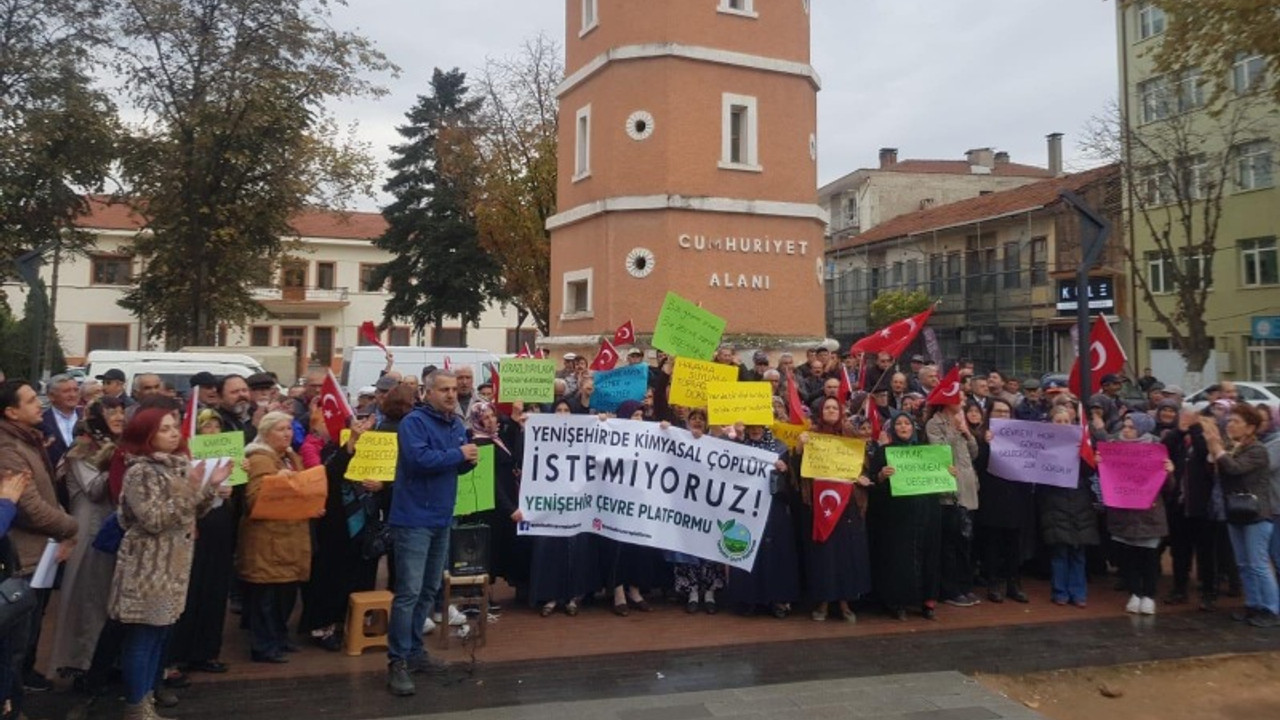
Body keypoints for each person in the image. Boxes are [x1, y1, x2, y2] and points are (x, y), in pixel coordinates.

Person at [109, 408, 230, 720]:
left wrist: (210, 487)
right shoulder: (141, 471)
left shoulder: (176, 466)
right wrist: (193, 489)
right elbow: (153, 519)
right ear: (147, 436)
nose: (175, 433)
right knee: (145, 635)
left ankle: (147, 697)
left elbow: (191, 513)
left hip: (174, 562)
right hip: (149, 565)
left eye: (175, 427)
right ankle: (136, 705)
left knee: (161, 634)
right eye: (165, 429)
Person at [386, 370, 477, 697]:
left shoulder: (454, 424)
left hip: (441, 516)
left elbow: (455, 462)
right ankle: (396, 660)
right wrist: (458, 455)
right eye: (444, 389)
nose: (452, 394)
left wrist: (469, 460)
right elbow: (418, 459)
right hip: (413, 519)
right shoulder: (414, 423)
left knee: (429, 590)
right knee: (408, 592)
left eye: (454, 389)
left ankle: (414, 651)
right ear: (427, 393)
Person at [0, 380, 79, 696]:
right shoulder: (8, 449)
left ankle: (19, 691)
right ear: (11, 412)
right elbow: (28, 507)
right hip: (22, 555)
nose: (39, 405)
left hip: (40, 553)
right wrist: (70, 527)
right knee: (15, 643)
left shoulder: (27, 440)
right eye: (31, 400)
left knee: (28, 635)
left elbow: (47, 493)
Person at [48, 398, 126, 677]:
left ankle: (105, 660)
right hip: (89, 528)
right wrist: (117, 462)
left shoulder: (122, 445)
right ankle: (79, 662)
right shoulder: (82, 449)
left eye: (120, 410)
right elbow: (93, 489)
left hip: (113, 528)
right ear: (96, 416)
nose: (118, 415)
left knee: (106, 598)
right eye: (110, 411)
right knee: (87, 598)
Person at [238, 411, 316, 663]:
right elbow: (254, 500)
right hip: (268, 540)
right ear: (265, 433)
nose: (287, 434)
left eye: (290, 429)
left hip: (287, 536)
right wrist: (280, 484)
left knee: (284, 594)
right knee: (267, 597)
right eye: (281, 429)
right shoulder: (261, 460)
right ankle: (264, 646)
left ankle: (280, 638)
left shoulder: (288, 457)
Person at [1202, 403, 1278, 627]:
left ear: (1250, 427)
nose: (1230, 425)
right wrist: (1213, 447)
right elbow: (1215, 468)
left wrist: (1217, 449)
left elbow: (1234, 468)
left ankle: (1271, 608)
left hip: (1256, 514)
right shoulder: (1234, 446)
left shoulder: (1257, 450)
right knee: (1243, 564)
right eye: (1230, 421)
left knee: (1258, 564)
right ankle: (1253, 604)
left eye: (1236, 422)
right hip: (1236, 511)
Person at [797, 396, 872, 622]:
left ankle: (845, 602)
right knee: (824, 555)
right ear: (820, 412)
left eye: (835, 408)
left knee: (846, 555)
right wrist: (800, 448)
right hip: (821, 505)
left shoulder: (850, 436)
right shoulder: (812, 435)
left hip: (848, 505)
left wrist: (863, 478)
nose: (831, 411)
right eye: (827, 408)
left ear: (841, 412)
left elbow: (863, 466)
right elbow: (798, 471)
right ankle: (823, 602)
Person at [865, 411, 942, 620]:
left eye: (907, 423)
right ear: (893, 429)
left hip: (926, 512)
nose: (903, 427)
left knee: (928, 554)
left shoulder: (927, 452)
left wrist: (948, 473)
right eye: (898, 424)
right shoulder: (884, 452)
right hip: (897, 516)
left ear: (913, 427)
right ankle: (898, 602)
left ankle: (928, 601)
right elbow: (873, 482)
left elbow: (940, 481)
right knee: (899, 558)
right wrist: (881, 476)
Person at [725, 421, 800, 619]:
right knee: (748, 548)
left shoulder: (780, 447)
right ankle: (748, 598)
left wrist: (784, 469)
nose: (755, 429)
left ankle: (777, 599)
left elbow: (794, 482)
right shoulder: (738, 446)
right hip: (746, 507)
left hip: (773, 507)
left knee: (775, 553)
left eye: (759, 425)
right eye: (751, 426)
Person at [1104, 413, 1173, 616]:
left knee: (1149, 557)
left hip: (1148, 514)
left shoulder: (1156, 449)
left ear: (1142, 429)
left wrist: (1168, 472)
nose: (1126, 430)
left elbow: (1169, 488)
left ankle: (1149, 596)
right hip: (1123, 513)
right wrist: (1102, 463)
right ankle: (1134, 593)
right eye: (1124, 425)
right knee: (1129, 558)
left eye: (1131, 427)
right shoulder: (1113, 448)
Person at [973, 398, 1035, 603]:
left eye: (1006, 412)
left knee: (1014, 544)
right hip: (992, 497)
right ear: (989, 414)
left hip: (1016, 497)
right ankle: (994, 583)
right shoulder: (980, 437)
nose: (1002, 416)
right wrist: (986, 445)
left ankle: (1014, 584)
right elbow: (977, 466)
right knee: (993, 544)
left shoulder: (1020, 436)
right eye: (997, 412)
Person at [1039, 405, 1099, 608]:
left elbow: (1089, 473)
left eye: (1066, 421)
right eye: (1059, 421)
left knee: (1078, 553)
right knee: (1059, 553)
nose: (1063, 425)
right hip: (1055, 503)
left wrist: (1091, 460)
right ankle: (1060, 592)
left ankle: (1078, 593)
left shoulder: (1082, 444)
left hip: (1079, 503)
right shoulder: (1044, 444)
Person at [925, 396, 981, 608]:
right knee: (950, 544)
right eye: (960, 398)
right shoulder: (934, 423)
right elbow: (940, 453)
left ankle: (964, 586)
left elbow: (974, 453)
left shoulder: (962, 421)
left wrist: (966, 432)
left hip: (968, 489)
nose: (964, 403)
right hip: (950, 493)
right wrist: (955, 432)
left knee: (965, 543)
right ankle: (950, 590)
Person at [41, 373, 82, 469]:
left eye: (76, 390)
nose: (73, 395)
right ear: (51, 396)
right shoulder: (41, 421)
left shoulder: (88, 417)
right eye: (66, 391)